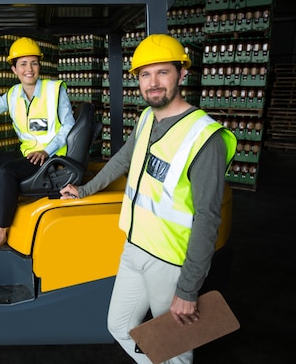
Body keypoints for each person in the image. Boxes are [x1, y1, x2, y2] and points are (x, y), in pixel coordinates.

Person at [60, 34, 237, 364]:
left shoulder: (203, 137)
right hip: (134, 246)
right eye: (145, 74)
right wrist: (84, 189)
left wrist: (187, 289)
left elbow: (207, 217)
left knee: (177, 350)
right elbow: (123, 159)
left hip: (170, 262)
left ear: (182, 74)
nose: (153, 83)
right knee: (120, 325)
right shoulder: (145, 118)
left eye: (162, 72)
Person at [0, 37, 75, 250]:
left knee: (7, 171)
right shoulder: (13, 95)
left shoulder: (55, 90)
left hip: (53, 157)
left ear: (39, 66)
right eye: (23, 64)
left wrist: (47, 150)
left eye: (34, 63)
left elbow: (69, 126)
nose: (29, 69)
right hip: (28, 154)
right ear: (14, 69)